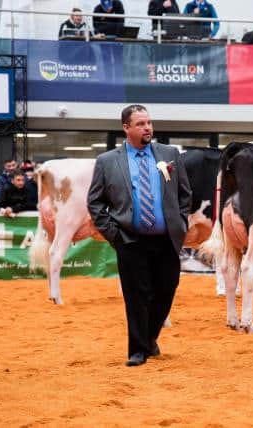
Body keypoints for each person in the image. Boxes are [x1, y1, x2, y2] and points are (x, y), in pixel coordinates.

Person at [88, 104, 191, 367]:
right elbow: (95, 203)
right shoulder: (107, 161)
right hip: (130, 240)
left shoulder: (170, 154)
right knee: (136, 296)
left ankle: (149, 338)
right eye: (140, 124)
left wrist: (179, 222)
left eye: (149, 122)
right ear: (126, 128)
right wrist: (114, 234)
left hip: (166, 238)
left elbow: (184, 194)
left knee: (166, 290)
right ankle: (138, 350)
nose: (147, 128)